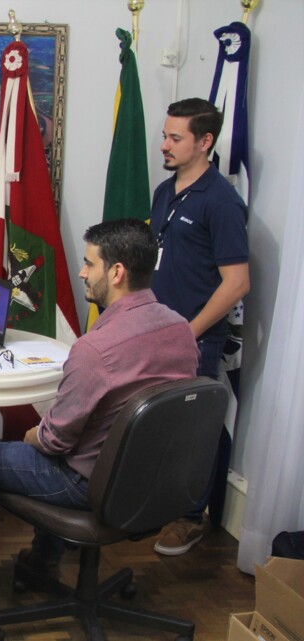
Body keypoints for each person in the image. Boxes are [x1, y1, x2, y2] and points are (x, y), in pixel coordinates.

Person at [0, 219, 198, 621]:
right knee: (70, 445)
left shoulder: (96, 350)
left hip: (90, 483)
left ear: (117, 272)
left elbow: (54, 442)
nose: (82, 272)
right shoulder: (180, 329)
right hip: (153, 478)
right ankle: (41, 562)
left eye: (90, 264)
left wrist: (35, 433)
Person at [149, 98, 250, 556]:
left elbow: (237, 283)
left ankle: (192, 518)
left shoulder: (223, 203)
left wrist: (188, 332)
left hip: (194, 339)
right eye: (164, 135)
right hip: (159, 330)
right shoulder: (165, 191)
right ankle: (168, 500)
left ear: (205, 141)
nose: (164, 145)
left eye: (175, 138)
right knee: (168, 423)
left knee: (199, 426)